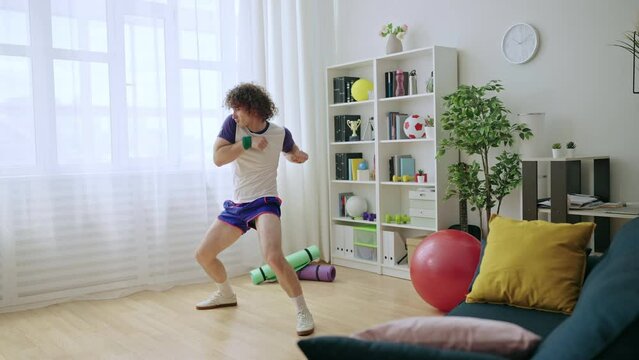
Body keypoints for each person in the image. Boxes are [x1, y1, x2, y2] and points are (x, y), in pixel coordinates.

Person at [194, 83, 314, 336]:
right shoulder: (233, 126)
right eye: (233, 109)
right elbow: (218, 158)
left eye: (237, 108)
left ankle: (302, 310)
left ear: (252, 107)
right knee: (204, 255)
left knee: (272, 256)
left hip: (265, 201)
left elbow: (292, 152)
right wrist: (247, 142)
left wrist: (297, 156)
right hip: (238, 204)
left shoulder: (281, 133)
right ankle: (225, 294)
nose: (234, 113)